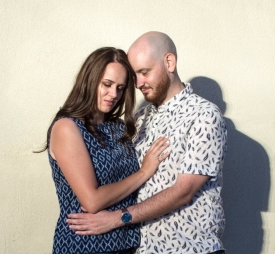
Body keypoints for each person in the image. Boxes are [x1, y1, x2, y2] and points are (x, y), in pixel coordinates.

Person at [67, 33, 227, 254]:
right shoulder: (141, 118)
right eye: (135, 76)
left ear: (169, 62)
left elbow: (184, 191)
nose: (139, 83)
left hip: (190, 249)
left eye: (144, 72)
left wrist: (118, 218)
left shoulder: (204, 115)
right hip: (141, 249)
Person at [42, 47, 171, 254]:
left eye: (120, 88)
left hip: (127, 243)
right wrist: (144, 172)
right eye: (107, 85)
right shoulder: (67, 127)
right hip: (86, 245)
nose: (114, 94)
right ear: (89, 80)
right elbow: (92, 201)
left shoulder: (118, 127)